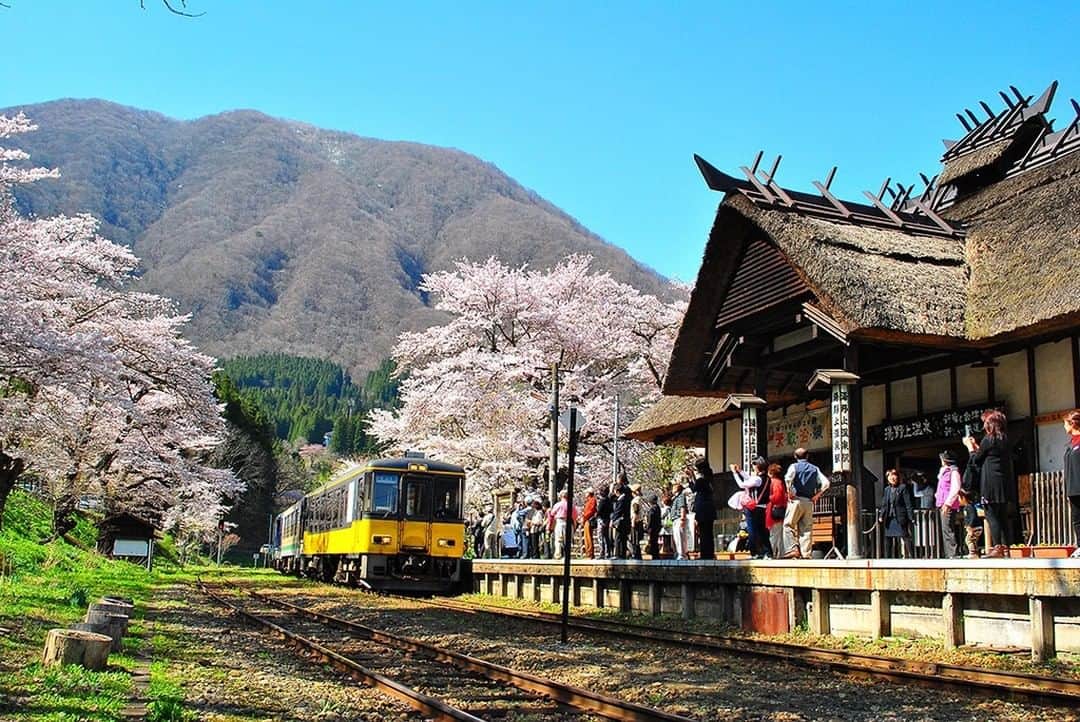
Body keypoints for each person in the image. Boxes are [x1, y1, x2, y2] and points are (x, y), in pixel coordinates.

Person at [964, 409, 1014, 558]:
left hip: (990, 483)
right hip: (1003, 482)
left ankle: (997, 546)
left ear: (990, 424)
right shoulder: (1005, 439)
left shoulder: (988, 439)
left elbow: (977, 460)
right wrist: (978, 449)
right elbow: (987, 454)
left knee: (991, 514)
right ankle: (1007, 547)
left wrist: (970, 448)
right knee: (1003, 515)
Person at [782, 448, 831, 559]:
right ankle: (806, 554)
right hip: (809, 501)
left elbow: (787, 478)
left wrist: (789, 492)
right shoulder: (815, 469)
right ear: (807, 456)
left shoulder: (793, 466)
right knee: (806, 529)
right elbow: (826, 483)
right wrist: (817, 495)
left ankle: (792, 549)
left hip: (796, 500)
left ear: (795, 456)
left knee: (788, 525)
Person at [731, 458, 767, 558]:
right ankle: (765, 551)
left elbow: (742, 484)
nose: (753, 467)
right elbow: (749, 479)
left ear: (757, 466)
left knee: (752, 530)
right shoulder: (765, 477)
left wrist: (735, 473)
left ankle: (754, 552)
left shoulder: (758, 479)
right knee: (761, 530)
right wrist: (740, 471)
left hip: (754, 508)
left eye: (753, 465)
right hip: (762, 507)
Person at [880, 469, 914, 559]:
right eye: (890, 476)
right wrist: (881, 516)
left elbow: (908, 503)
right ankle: (888, 558)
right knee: (888, 538)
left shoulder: (902, 487)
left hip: (900, 516)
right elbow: (884, 504)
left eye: (894, 475)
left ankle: (912, 556)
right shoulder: (887, 489)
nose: (892, 478)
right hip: (889, 517)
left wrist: (911, 517)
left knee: (905, 536)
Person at [936, 451, 963, 559]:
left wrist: (948, 503)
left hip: (948, 504)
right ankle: (948, 553)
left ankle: (953, 553)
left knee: (948, 528)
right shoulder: (944, 472)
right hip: (941, 502)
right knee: (944, 529)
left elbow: (955, 488)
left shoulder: (954, 472)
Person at [689, 459, 717, 560]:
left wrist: (690, 477)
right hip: (710, 508)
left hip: (702, 509)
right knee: (709, 533)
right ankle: (710, 553)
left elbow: (694, 488)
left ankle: (705, 554)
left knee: (704, 533)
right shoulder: (710, 478)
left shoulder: (701, 480)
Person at [1063, 410, 1080, 557]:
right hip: (1073, 486)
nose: (1064, 427)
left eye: (1065, 423)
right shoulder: (1070, 444)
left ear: (1072, 423)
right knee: (1077, 518)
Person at [764, 463, 787, 557]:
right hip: (781, 510)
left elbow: (776, 497)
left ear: (770, 472)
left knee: (774, 534)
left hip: (774, 511)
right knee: (780, 534)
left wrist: (767, 497)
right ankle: (781, 554)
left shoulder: (773, 482)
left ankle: (771, 553)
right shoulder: (780, 482)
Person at [549, 490, 579, 558]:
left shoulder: (557, 505)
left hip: (559, 522)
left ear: (561, 496)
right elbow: (575, 516)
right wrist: (574, 525)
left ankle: (558, 554)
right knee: (568, 540)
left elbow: (552, 514)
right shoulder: (571, 505)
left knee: (559, 539)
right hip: (568, 522)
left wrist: (551, 525)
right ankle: (567, 555)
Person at [611, 479, 631, 559]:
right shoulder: (626, 498)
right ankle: (622, 554)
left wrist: (613, 520)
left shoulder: (622, 500)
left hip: (621, 522)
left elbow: (618, 511)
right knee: (623, 538)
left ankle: (619, 554)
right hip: (625, 521)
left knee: (618, 538)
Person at [670, 481, 689, 559]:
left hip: (679, 519)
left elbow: (682, 507)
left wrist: (682, 518)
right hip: (675, 519)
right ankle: (679, 553)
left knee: (680, 537)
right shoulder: (675, 498)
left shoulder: (681, 497)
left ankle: (682, 554)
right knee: (677, 537)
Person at [595, 487, 612, 559]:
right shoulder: (609, 500)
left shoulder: (602, 501)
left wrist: (596, 515)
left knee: (601, 536)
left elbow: (599, 511)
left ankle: (602, 553)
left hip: (602, 520)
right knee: (606, 537)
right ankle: (608, 553)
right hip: (607, 519)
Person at [629, 483, 645, 560]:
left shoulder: (636, 500)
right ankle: (637, 555)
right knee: (636, 539)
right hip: (639, 521)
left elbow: (636, 511)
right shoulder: (639, 499)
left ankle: (636, 555)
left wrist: (633, 521)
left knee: (634, 539)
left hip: (636, 521)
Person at [582, 488, 597, 560]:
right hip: (586, 520)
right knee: (586, 537)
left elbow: (590, 511)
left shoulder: (592, 500)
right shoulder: (589, 501)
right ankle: (588, 553)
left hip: (588, 520)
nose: (585, 494)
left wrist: (584, 517)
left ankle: (590, 553)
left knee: (588, 537)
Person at [646, 493, 662, 557]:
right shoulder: (658, 507)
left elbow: (650, 518)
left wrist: (648, 527)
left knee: (653, 541)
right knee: (655, 541)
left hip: (653, 528)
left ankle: (654, 554)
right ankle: (656, 554)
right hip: (657, 527)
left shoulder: (652, 509)